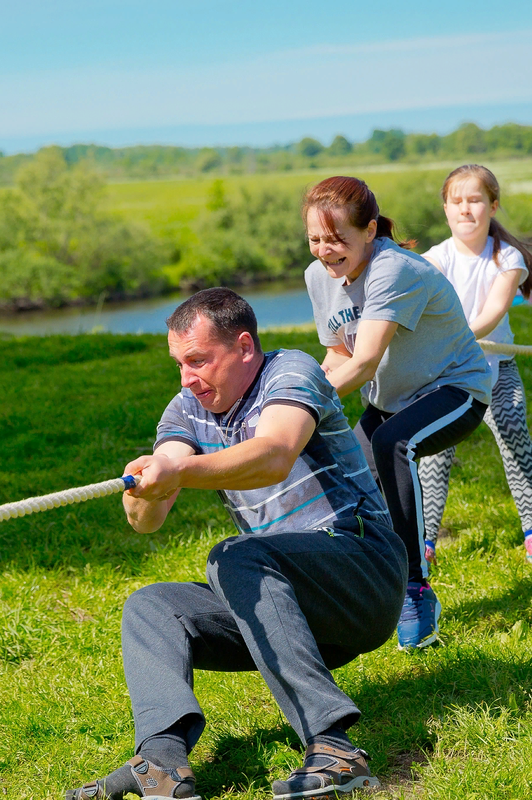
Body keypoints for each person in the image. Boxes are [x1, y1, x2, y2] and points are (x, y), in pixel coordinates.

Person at [66, 288, 404, 800]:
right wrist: (145, 489)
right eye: (179, 363)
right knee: (151, 608)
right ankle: (160, 759)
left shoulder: (290, 372)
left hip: (363, 571)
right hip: (289, 604)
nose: (186, 377)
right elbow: (146, 522)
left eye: (198, 360)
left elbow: (273, 454)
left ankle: (333, 746)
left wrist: (177, 470)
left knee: (232, 555)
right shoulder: (187, 409)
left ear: (244, 347)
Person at [301, 177, 492, 651]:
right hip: (388, 402)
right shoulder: (317, 277)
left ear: (369, 231)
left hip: (455, 390)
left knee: (393, 445)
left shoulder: (394, 270)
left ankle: (415, 589)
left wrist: (300, 411)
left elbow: (363, 361)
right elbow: (338, 357)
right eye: (315, 239)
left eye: (337, 239)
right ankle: (370, 582)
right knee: (352, 475)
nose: (325, 251)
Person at [417, 165, 532, 568]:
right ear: (445, 209)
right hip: (446, 372)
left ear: (493, 205)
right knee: (434, 453)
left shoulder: (507, 257)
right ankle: (424, 542)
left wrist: (457, 336)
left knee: (516, 437)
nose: (466, 209)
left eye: (475, 200)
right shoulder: (434, 260)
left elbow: (493, 312)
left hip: (497, 366)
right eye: (456, 201)